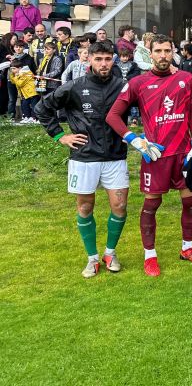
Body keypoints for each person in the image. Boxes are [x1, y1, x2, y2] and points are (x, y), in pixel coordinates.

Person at [105, 35, 192, 277]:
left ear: (174, 52)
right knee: (152, 204)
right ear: (149, 53)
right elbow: (112, 116)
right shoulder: (138, 83)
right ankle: (149, 256)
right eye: (158, 51)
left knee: (191, 202)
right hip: (156, 155)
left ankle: (187, 248)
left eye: (167, 51)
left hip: (184, 154)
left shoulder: (186, 79)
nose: (163, 55)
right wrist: (134, 139)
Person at [34, 41, 129, 277]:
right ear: (88, 59)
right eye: (99, 59)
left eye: (108, 59)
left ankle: (110, 252)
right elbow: (41, 108)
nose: (104, 64)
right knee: (85, 207)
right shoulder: (74, 86)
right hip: (84, 157)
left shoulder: (123, 86)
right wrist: (60, 136)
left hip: (115, 157)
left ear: (114, 59)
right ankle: (92, 258)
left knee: (119, 206)